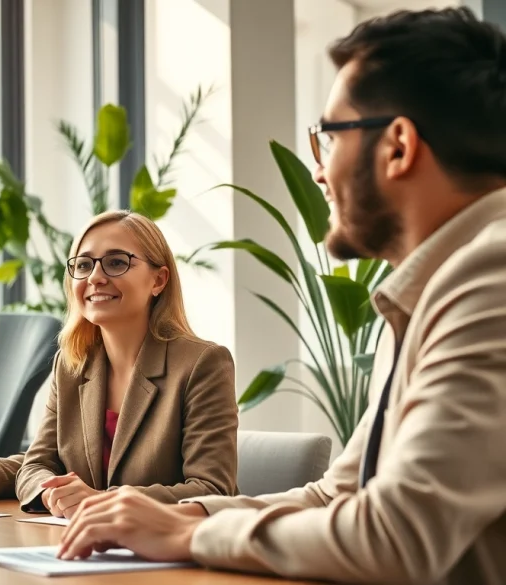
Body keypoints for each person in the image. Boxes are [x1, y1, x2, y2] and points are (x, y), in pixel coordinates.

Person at [58, 7, 506, 584]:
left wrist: (187, 532)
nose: (319, 172)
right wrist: (177, 514)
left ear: (397, 147)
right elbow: (336, 496)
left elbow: (395, 535)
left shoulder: (489, 281)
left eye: (328, 138)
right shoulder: (431, 292)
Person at [0, 210, 240, 515]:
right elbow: (39, 463)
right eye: (83, 265)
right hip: (80, 547)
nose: (95, 278)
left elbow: (212, 490)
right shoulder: (73, 364)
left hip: (170, 551)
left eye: (116, 262)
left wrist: (98, 501)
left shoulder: (202, 364)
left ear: (159, 280)